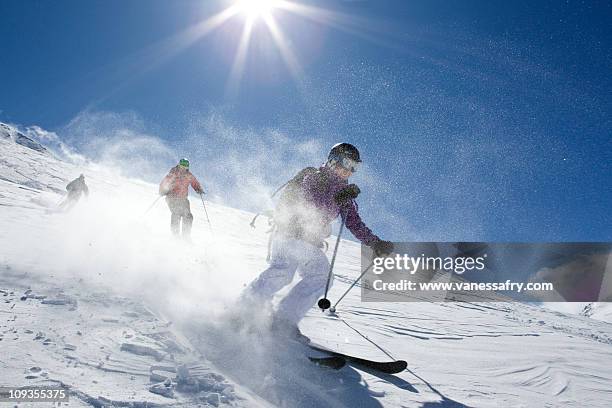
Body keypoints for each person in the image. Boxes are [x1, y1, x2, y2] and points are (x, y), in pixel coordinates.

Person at [241, 143, 394, 336]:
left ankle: (276, 318)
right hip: (290, 233)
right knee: (291, 272)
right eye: (347, 163)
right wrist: (338, 196)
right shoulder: (315, 177)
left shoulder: (344, 194)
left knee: (312, 275)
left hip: (306, 241)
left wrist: (374, 243)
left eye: (355, 167)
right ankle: (253, 311)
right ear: (333, 160)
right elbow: (311, 203)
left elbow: (354, 223)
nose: (350, 170)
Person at [159, 158, 204, 238]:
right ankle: (175, 235)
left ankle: (186, 236)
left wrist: (198, 188)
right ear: (179, 165)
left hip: (183, 199)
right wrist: (163, 190)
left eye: (185, 167)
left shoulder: (188, 175)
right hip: (172, 197)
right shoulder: (174, 173)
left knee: (188, 216)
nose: (183, 169)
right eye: (182, 166)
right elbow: (165, 182)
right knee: (177, 213)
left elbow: (194, 182)